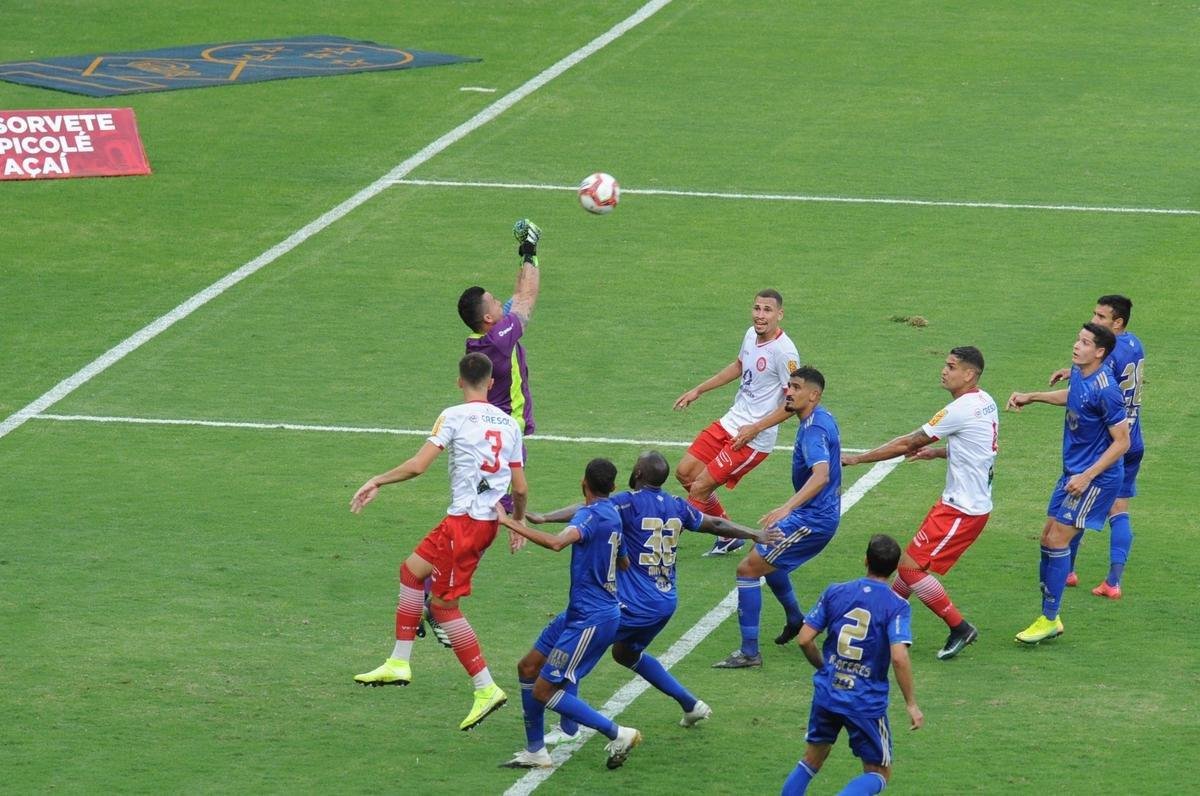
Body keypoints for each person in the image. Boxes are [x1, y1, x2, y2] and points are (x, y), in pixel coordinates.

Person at [524, 451, 785, 743]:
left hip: (632, 602)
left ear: (637, 474)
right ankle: (691, 704)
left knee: (575, 639)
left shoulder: (628, 502)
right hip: (664, 601)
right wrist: (753, 533)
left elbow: (591, 508)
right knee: (625, 654)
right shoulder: (676, 505)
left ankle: (568, 729)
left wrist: (545, 517)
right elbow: (716, 524)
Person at [349, 352, 526, 732]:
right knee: (412, 572)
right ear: (492, 383)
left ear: (459, 381)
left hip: (466, 525)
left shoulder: (453, 415)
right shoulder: (510, 424)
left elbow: (418, 465)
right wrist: (518, 522)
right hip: (474, 522)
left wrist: (377, 480)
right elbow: (521, 487)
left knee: (444, 607)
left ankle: (485, 687)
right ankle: (399, 661)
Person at [841, 347, 997, 661]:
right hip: (963, 503)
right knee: (911, 566)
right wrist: (938, 453)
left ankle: (960, 627)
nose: (944, 370)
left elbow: (908, 442)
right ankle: (882, 623)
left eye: (951, 366)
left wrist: (858, 459)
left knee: (909, 569)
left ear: (969, 374)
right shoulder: (986, 401)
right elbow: (979, 449)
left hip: (961, 509)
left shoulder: (960, 409)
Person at [497, 459, 643, 770]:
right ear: (613, 487)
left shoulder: (590, 516)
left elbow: (557, 543)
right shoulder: (611, 514)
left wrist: (509, 522)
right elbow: (624, 563)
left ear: (583, 483)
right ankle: (535, 751)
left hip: (591, 619)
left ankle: (618, 733)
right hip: (579, 612)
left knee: (543, 690)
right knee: (528, 667)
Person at [1007, 323, 1130, 643]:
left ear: (1099, 352)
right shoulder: (1079, 372)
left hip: (1096, 479)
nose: (1077, 346)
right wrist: (1033, 396)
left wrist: (1087, 476)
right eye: (1078, 339)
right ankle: (1048, 613)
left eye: (1085, 342)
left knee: (1058, 540)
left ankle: (1050, 618)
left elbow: (1123, 442)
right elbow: (1074, 397)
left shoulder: (1107, 390)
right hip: (1072, 473)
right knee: (1047, 537)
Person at [714, 366, 841, 669]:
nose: (789, 392)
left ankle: (749, 652)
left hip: (812, 519)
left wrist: (787, 507)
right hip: (814, 513)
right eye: (789, 386)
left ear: (814, 395)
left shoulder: (813, 429)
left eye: (796, 387)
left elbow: (821, 476)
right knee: (764, 549)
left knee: (747, 570)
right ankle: (795, 618)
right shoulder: (821, 418)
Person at [781, 534, 923, 796]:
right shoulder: (897, 606)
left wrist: (824, 667)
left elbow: (804, 639)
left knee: (812, 759)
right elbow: (899, 657)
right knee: (879, 772)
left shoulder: (835, 591)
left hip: (828, 692)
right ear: (895, 569)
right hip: (865, 701)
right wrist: (911, 704)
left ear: (865, 560)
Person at [673, 289, 800, 556]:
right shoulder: (750, 334)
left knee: (700, 487)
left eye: (767, 310)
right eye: (757, 308)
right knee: (685, 473)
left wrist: (755, 428)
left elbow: (793, 403)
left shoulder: (785, 353)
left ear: (780, 314)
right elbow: (739, 366)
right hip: (731, 421)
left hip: (753, 439)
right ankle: (727, 536)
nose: (760, 315)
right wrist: (699, 390)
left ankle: (665, 543)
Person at [1047, 295, 1144, 599]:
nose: (1095, 321)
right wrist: (1071, 371)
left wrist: (1074, 374)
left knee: (1078, 498)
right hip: (1134, 434)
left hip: (1111, 442)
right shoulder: (1134, 344)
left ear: (1118, 322)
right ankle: (1113, 582)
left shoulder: (1108, 358)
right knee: (1119, 510)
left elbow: (1098, 382)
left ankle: (1068, 571)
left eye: (1101, 317)